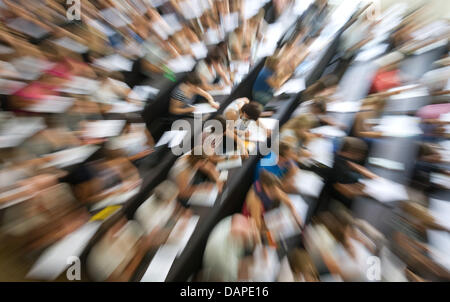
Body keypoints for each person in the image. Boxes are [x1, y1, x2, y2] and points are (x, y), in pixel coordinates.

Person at [202, 214, 260, 281]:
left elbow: (238, 218)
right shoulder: (228, 266)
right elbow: (241, 274)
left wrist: (255, 242)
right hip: (219, 269)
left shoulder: (236, 228)